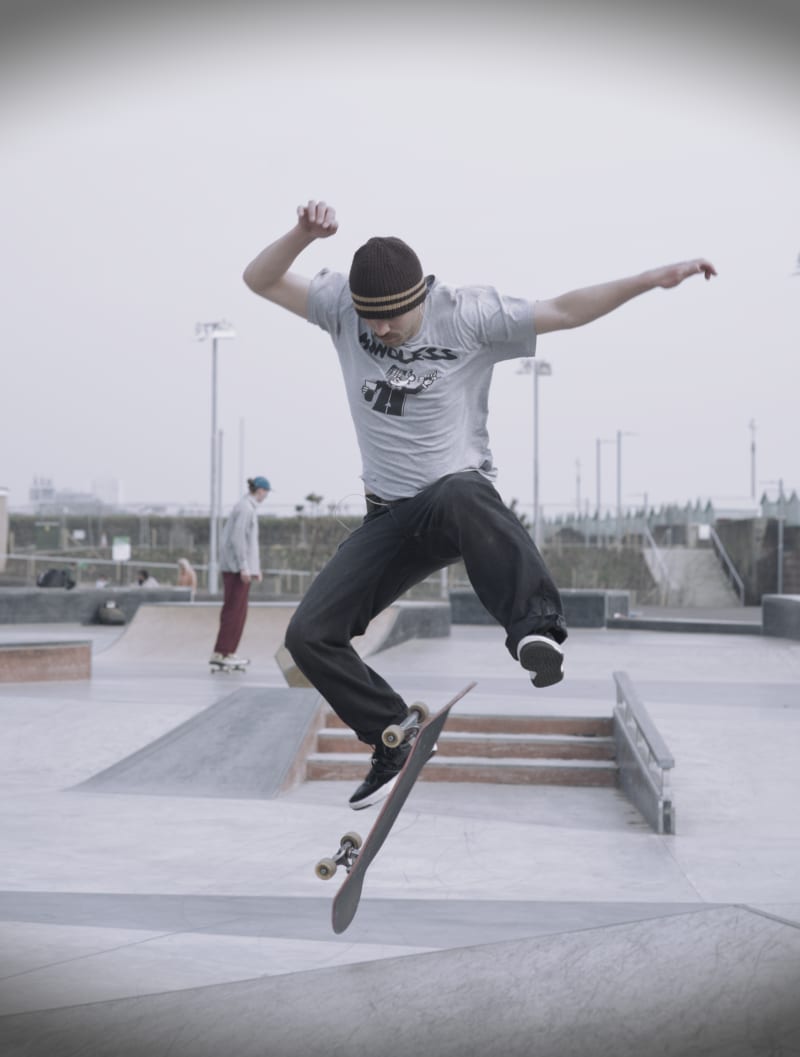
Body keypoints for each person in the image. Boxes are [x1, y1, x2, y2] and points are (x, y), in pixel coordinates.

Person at [243, 199, 716, 810]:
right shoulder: (340, 310)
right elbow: (260, 280)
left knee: (464, 487)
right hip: (387, 516)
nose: (380, 332)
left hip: (451, 504)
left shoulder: (469, 316)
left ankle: (533, 631)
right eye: (371, 322)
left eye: (393, 319)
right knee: (309, 635)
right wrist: (301, 235)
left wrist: (651, 279)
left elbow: (567, 310)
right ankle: (394, 734)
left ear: (422, 296)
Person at [209, 476, 271, 668]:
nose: (266, 496)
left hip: (240, 568)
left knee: (239, 612)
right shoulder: (245, 508)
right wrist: (244, 566)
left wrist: (255, 568)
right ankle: (222, 652)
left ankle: (228, 651)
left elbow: (250, 543)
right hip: (236, 569)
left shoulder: (248, 507)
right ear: (260, 491)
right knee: (234, 611)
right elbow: (238, 539)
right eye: (266, 493)